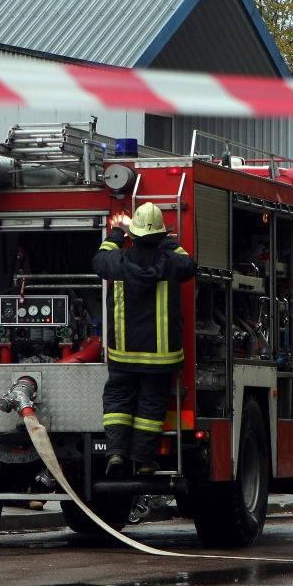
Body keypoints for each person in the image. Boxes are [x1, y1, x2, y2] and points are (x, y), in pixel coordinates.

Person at [92, 202, 198, 476]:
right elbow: (190, 264)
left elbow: (99, 259)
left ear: (135, 235)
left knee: (118, 402)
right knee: (151, 407)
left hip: (123, 354)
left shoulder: (115, 261)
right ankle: (143, 460)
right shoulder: (173, 263)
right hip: (161, 358)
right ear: (159, 235)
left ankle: (116, 453)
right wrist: (167, 240)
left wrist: (117, 232)